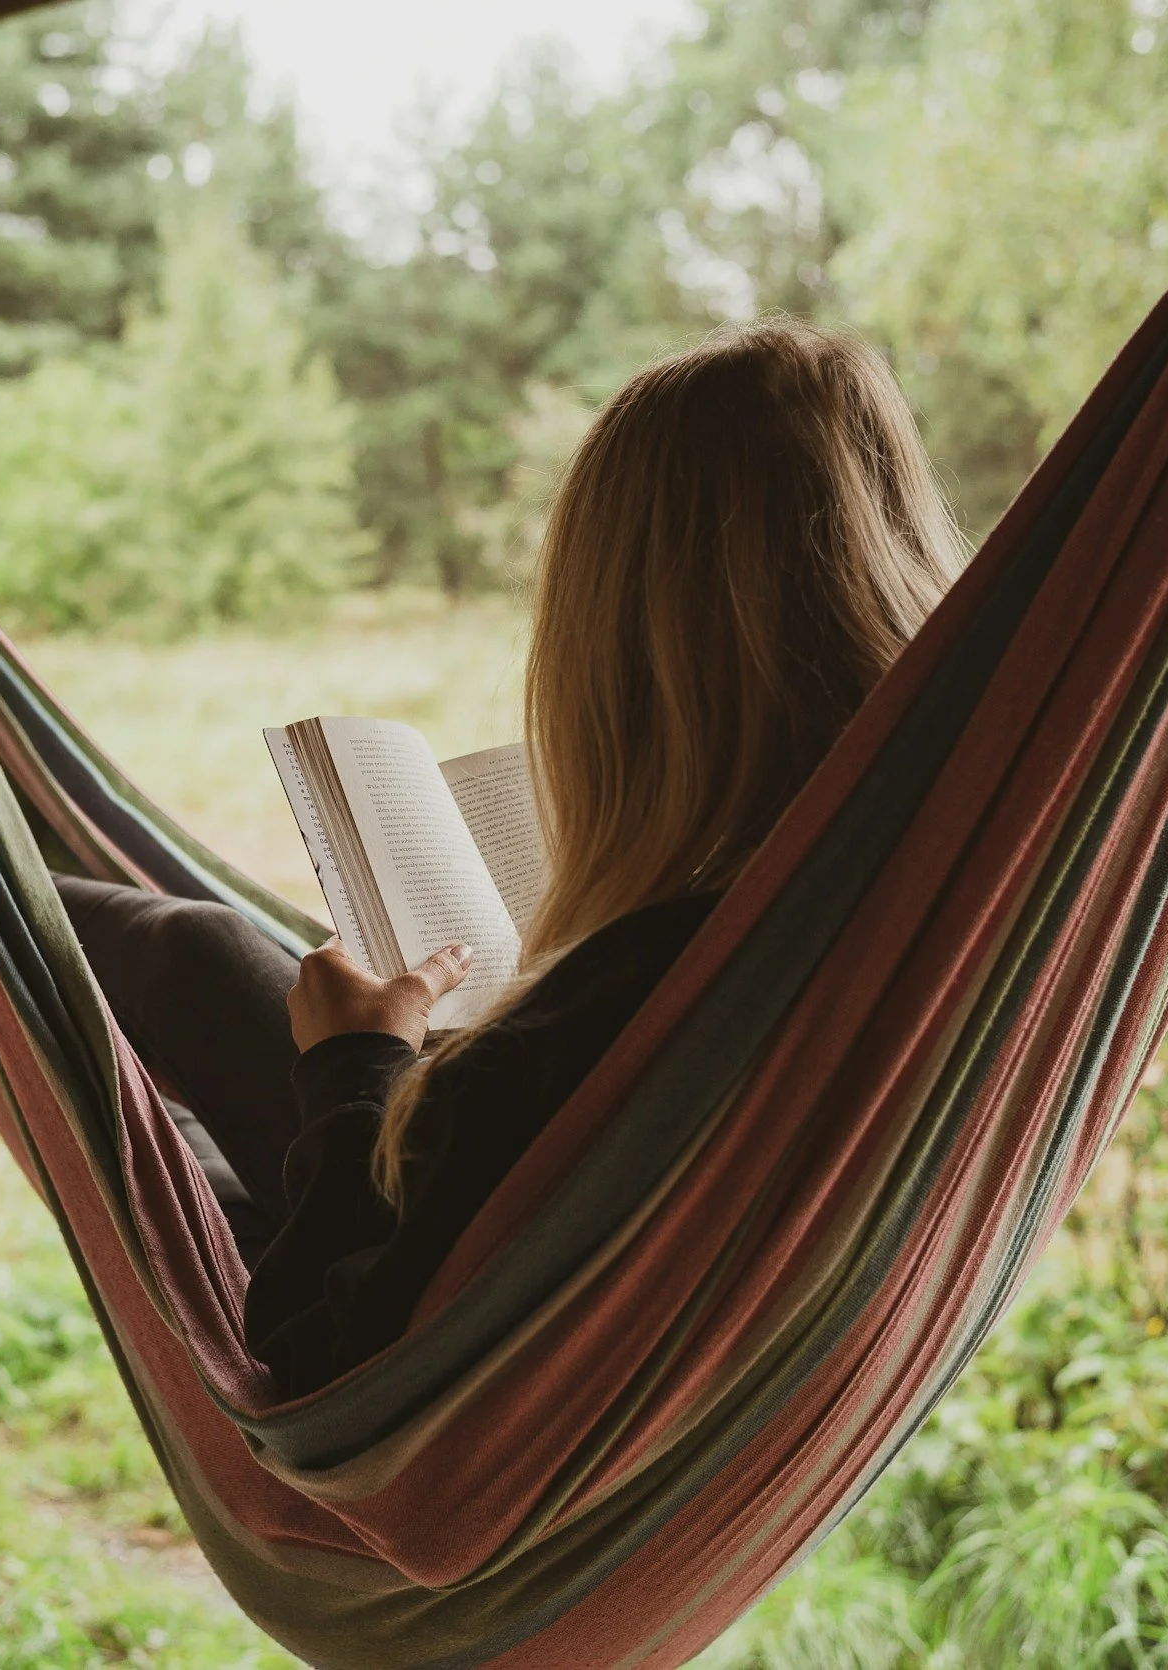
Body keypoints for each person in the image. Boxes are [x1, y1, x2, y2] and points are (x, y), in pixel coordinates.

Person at [56, 322, 966, 1399]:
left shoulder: (609, 1003)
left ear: (622, 642)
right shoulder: (933, 866)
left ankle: (3, 879)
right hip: (693, 1350)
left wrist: (354, 1068)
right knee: (190, 1060)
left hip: (456, 1372)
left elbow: (311, 1356)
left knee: (187, 960)